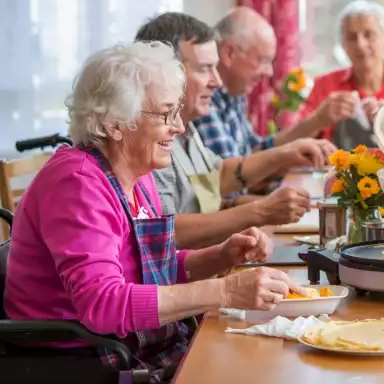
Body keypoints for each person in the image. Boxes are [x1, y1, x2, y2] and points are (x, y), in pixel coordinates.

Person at [4, 42, 304, 380]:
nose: (178, 127)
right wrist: (225, 290)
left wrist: (220, 256)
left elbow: (150, 269)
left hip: (128, 345)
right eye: (165, 114)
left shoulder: (137, 174)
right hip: (79, 360)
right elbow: (102, 304)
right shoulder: (78, 183)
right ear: (116, 123)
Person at [134, 13, 335, 249]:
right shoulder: (147, 137)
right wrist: (259, 211)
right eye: (204, 68)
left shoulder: (185, 126)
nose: (217, 82)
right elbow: (164, 233)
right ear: (163, 72)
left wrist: (286, 153)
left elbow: (217, 178)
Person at [194, 6, 357, 162]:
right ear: (229, 53)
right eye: (263, 60)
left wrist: (314, 124)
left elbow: (255, 151)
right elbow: (228, 181)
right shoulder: (203, 98)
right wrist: (286, 156)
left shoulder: (234, 93)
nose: (269, 72)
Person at [299, 0, 384, 149]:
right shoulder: (325, 86)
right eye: (351, 38)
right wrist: (319, 119)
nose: (360, 44)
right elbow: (295, 141)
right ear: (343, 46)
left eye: (368, 35)